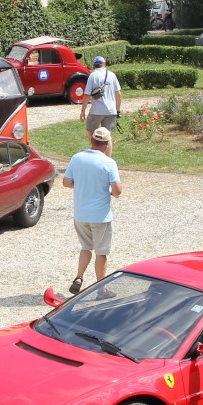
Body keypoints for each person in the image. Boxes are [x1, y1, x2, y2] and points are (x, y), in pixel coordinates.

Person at [62, 126, 123, 295]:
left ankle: (79, 276)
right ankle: (101, 289)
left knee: (86, 247)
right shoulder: (108, 163)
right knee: (101, 252)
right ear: (107, 143)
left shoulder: (77, 158)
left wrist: (82, 185)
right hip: (100, 216)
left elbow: (66, 182)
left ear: (91, 141)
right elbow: (117, 191)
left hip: (81, 215)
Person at [81, 55, 122, 136]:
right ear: (104, 64)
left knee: (90, 133)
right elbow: (119, 94)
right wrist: (117, 110)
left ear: (94, 65)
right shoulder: (112, 75)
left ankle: (95, 148)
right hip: (111, 111)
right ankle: (106, 149)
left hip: (96, 111)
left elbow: (87, 95)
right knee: (107, 136)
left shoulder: (93, 75)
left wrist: (83, 111)